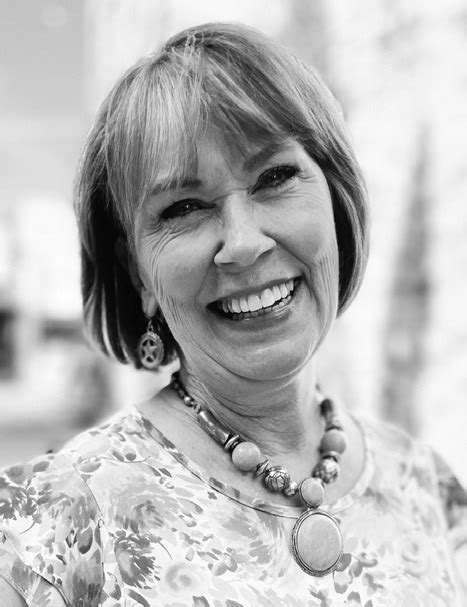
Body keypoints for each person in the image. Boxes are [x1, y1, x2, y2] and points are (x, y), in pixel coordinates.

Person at [0, 22, 465, 607]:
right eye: (184, 208)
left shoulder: (429, 487)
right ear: (138, 273)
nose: (243, 243)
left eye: (275, 177)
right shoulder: (43, 531)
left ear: (335, 196)